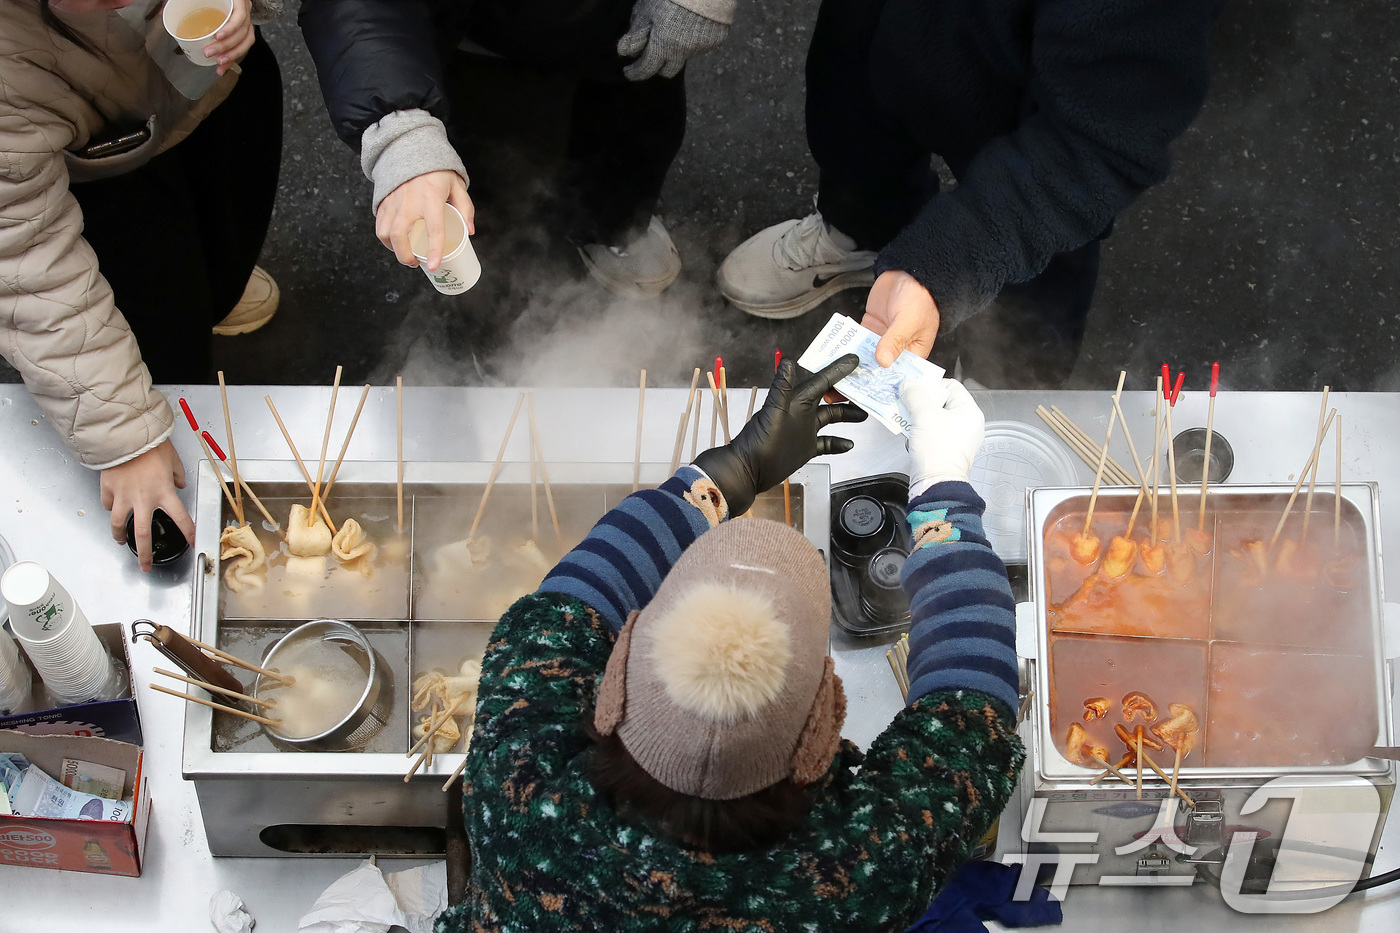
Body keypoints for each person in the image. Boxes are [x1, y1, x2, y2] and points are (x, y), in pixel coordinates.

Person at [437, 356, 1023, 930]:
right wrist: (942, 483)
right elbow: (970, 708)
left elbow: (572, 603)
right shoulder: (853, 878)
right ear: (821, 729)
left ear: (613, 685)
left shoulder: (522, 788)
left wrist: (729, 475)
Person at [717, 0, 1225, 387]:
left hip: (1023, 80)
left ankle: (1005, 378)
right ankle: (859, 232)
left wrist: (946, 262)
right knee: (854, 108)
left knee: (1041, 248)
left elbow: (1098, 139)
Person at [0, 0, 284, 570]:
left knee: (222, 246)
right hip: (98, 162)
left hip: (210, 89)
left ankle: (215, 292)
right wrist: (127, 438)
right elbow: (29, 265)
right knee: (162, 318)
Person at [298, 0, 736, 299]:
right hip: (479, 31)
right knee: (496, 186)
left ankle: (613, 229)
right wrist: (400, 129)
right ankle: (501, 320)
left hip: (625, 19)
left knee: (629, 140)